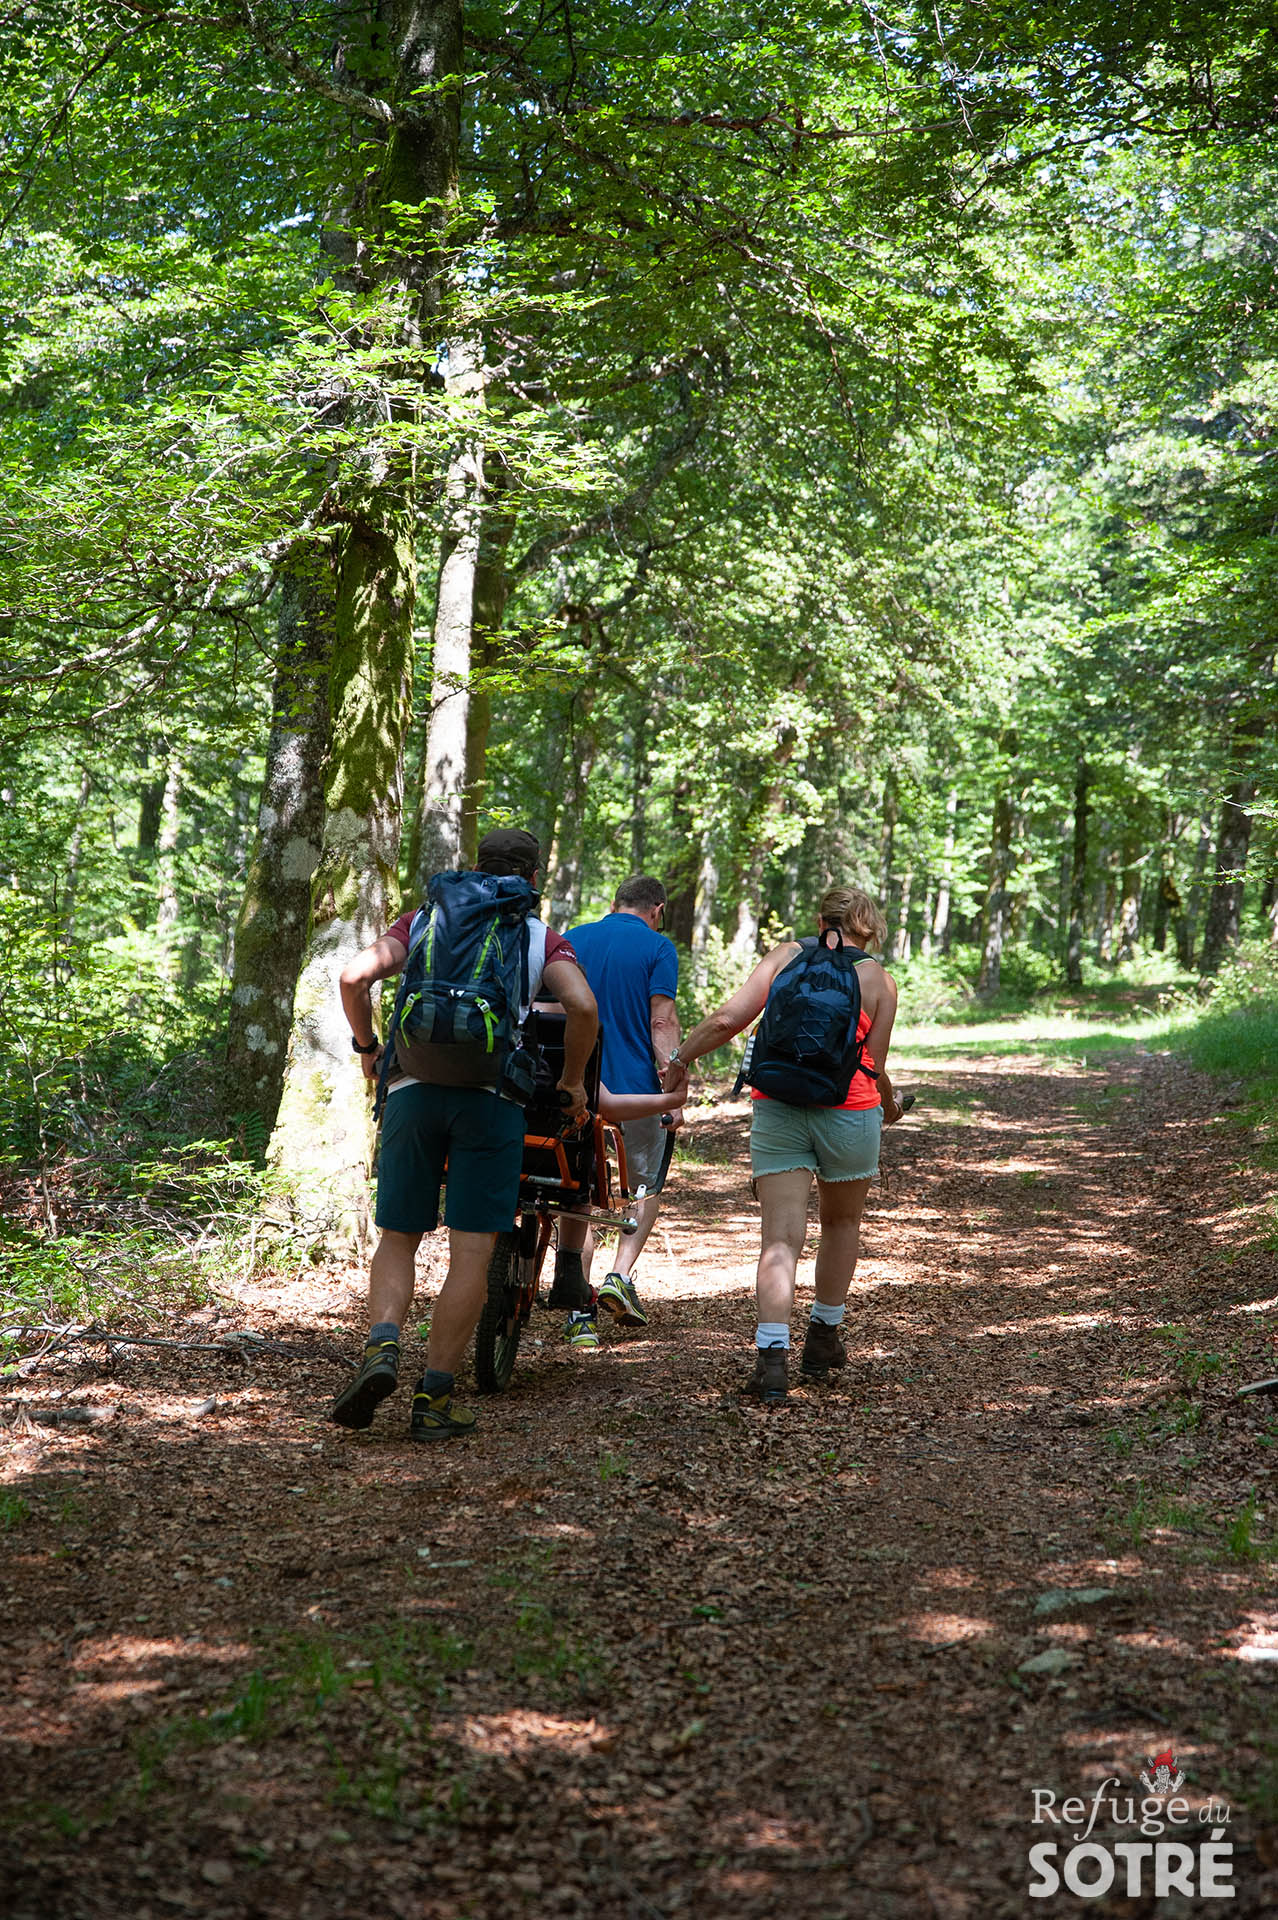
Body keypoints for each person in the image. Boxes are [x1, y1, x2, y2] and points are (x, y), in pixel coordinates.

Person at [333, 828, 598, 1441]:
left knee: (399, 1237)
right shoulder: (539, 937)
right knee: (472, 1251)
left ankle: (382, 1345)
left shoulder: (423, 919)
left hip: (411, 1092)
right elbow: (583, 1007)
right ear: (534, 878)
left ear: (475, 866)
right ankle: (434, 1397)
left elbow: (352, 978)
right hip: (491, 1102)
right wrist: (572, 1083)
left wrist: (369, 1049)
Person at [662, 885, 904, 1406]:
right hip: (851, 1112)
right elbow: (875, 1065)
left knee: (779, 1239)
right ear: (869, 928)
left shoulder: (785, 957)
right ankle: (822, 1341)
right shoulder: (880, 981)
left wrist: (680, 1058)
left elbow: (728, 1020)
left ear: (821, 921)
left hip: (779, 1107)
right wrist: (891, 1102)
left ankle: (772, 1361)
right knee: (841, 1223)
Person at [554, 875, 681, 1349]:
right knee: (643, 1187)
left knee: (577, 1193)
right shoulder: (658, 947)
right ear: (657, 909)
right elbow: (661, 1019)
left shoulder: (572, 938)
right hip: (636, 1089)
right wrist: (672, 1081)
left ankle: (578, 1311)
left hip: (575, 1083)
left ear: (614, 903)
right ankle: (619, 1277)